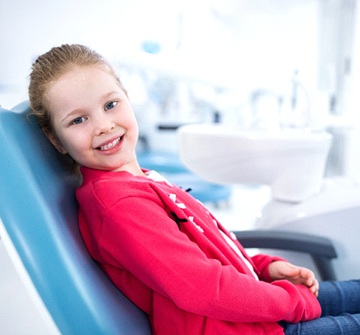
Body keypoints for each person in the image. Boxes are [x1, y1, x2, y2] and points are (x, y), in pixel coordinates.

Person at [28, 44, 360, 335]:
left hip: (248, 314)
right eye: (78, 120)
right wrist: (294, 301)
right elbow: (204, 289)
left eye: (111, 104)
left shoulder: (139, 180)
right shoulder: (120, 204)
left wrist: (262, 266)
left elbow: (210, 248)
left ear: (127, 98)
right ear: (56, 139)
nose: (103, 124)